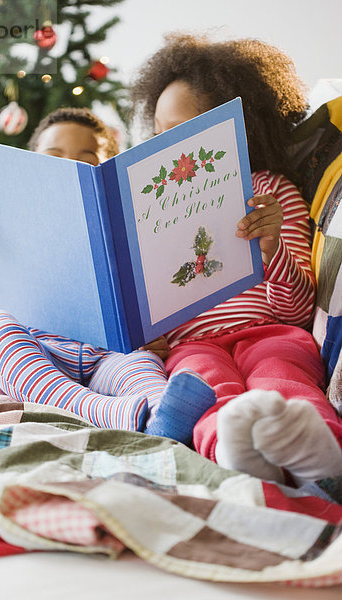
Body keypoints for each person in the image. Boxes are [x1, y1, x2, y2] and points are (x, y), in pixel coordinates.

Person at [130, 34, 342, 486]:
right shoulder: (145, 209)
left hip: (271, 331)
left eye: (185, 132)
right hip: (192, 344)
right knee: (201, 390)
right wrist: (146, 338)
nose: (169, 148)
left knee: (281, 375)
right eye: (160, 134)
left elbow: (299, 311)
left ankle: (320, 453)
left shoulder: (270, 192)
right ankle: (231, 453)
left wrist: (273, 248)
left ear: (235, 128)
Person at [0, 107, 216, 440]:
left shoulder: (130, 223)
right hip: (38, 354)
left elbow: (161, 285)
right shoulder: (7, 217)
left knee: (141, 364)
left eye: (86, 159)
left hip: (109, 357)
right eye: (53, 156)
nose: (69, 165)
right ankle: (97, 411)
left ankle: (161, 414)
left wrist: (153, 330)